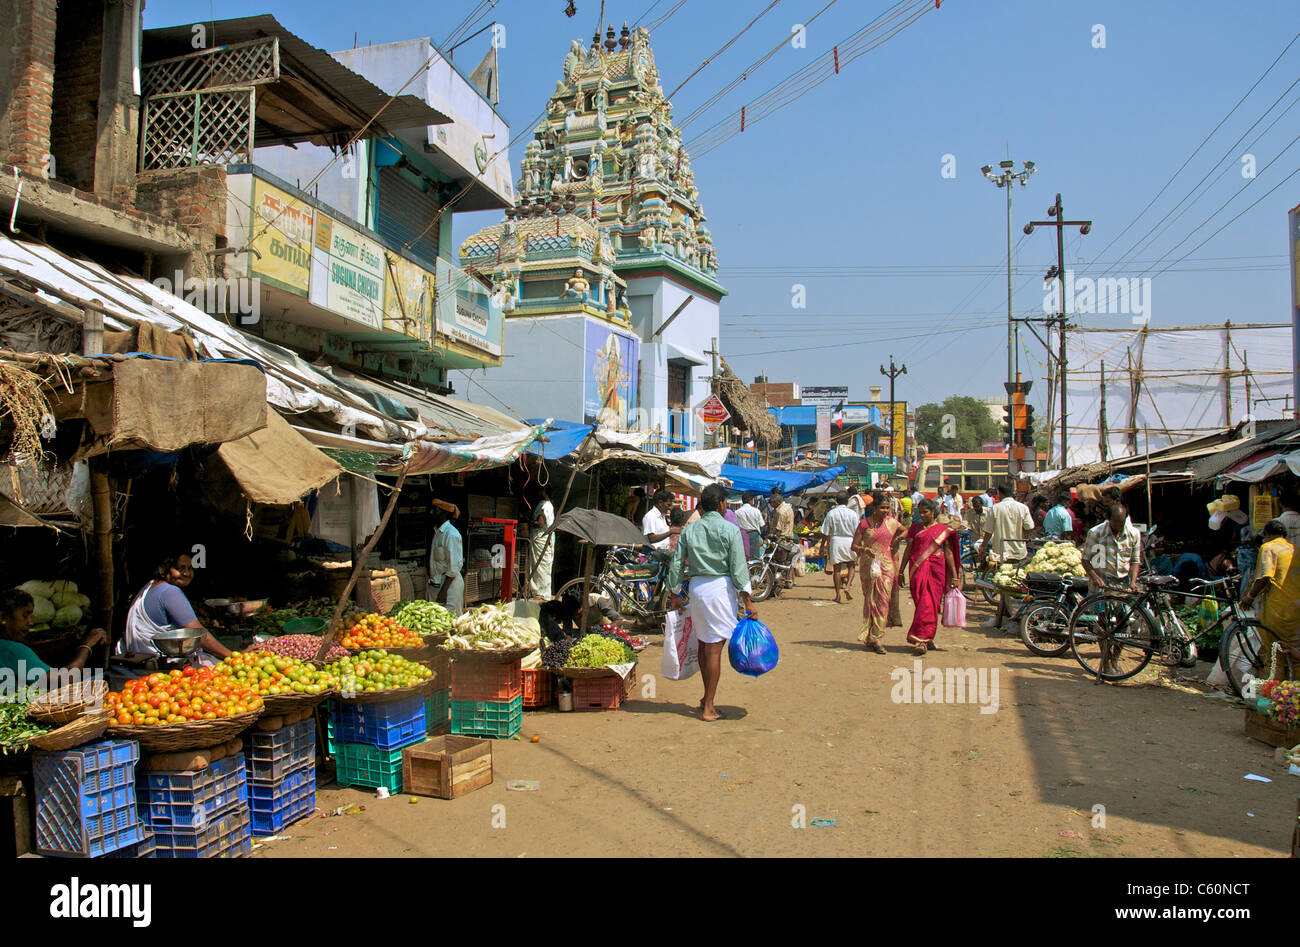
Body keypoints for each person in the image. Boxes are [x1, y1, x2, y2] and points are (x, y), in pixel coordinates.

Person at [667, 483, 756, 722]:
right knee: (714, 648)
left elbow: (676, 564)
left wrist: (674, 594)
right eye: (726, 502)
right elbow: (738, 569)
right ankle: (708, 706)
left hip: (697, 589)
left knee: (706, 645)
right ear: (720, 504)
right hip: (719, 590)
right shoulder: (730, 529)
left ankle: (706, 698)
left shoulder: (689, 530)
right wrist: (748, 601)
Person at [118, 551, 233, 666]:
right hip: (158, 663)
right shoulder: (169, 592)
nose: (187, 573)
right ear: (162, 570)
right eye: (180, 568)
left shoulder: (149, 587)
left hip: (137, 660)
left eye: (190, 568)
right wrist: (232, 656)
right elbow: (200, 635)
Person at [0, 589, 107, 690]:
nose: (31, 622)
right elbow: (65, 680)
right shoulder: (12, 650)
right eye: (25, 616)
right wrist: (86, 646)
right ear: (3, 617)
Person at [898, 498, 960, 656]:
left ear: (934, 512)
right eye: (920, 512)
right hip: (917, 569)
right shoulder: (915, 528)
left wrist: (954, 575)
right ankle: (927, 636)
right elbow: (908, 550)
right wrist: (900, 571)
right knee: (921, 603)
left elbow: (948, 552)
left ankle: (922, 639)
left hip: (935, 569)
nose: (923, 515)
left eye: (926, 512)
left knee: (930, 603)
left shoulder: (942, 529)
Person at [851, 491, 906, 653]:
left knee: (882, 600)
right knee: (870, 601)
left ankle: (878, 638)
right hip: (868, 567)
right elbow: (854, 546)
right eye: (882, 508)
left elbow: (905, 531)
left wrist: (896, 540)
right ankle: (870, 635)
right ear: (875, 508)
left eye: (887, 508)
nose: (885, 511)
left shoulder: (891, 522)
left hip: (887, 565)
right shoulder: (864, 524)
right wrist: (864, 549)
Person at [1241, 519, 1299, 660]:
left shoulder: (1268, 547)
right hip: (1296, 608)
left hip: (1278, 608)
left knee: (1277, 654)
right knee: (1295, 653)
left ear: (1266, 534)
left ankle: (1278, 682)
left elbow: (1264, 577)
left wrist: (1249, 596)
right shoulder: (1295, 549)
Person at [981, 482, 1034, 629]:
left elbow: (988, 531)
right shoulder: (1023, 508)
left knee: (1004, 585)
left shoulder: (996, 508)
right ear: (1013, 493)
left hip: (1001, 552)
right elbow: (1030, 527)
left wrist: (983, 546)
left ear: (1000, 494)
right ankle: (1004, 617)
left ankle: (1008, 617)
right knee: (1014, 585)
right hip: (1019, 552)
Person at [1081, 503, 1141, 592]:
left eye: (1121, 522)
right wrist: (1095, 577)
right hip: (1102, 582)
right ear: (1109, 519)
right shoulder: (1096, 533)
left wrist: (1133, 582)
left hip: (1123, 583)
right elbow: (1085, 560)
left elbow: (1135, 561)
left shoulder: (1134, 534)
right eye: (1115, 522)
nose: (1119, 526)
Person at [818, 493, 861, 604]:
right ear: (847, 501)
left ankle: (837, 595)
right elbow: (858, 531)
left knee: (836, 569)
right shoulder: (853, 514)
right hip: (850, 540)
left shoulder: (831, 513)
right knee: (851, 565)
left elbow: (825, 532)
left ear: (837, 501)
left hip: (836, 541)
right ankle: (847, 586)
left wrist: (822, 546)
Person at [428, 501, 465, 614]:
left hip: (449, 587)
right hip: (437, 584)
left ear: (444, 514)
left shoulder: (452, 534)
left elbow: (454, 567)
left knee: (451, 621)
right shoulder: (437, 532)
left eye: (435, 510)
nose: (431, 512)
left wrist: (443, 592)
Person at [529, 487, 556, 599]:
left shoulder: (544, 505)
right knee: (543, 567)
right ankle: (542, 592)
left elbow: (540, 523)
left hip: (541, 538)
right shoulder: (549, 505)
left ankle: (540, 592)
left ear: (544, 492)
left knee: (540, 567)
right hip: (546, 539)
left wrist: (529, 521)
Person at [735, 492, 766, 560]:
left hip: (742, 535)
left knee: (743, 556)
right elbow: (762, 524)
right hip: (754, 535)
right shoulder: (756, 511)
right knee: (754, 557)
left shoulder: (737, 512)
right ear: (751, 500)